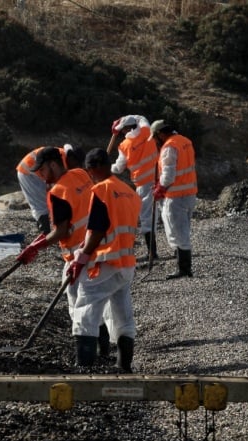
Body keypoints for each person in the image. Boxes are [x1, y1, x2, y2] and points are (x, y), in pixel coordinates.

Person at [15, 146, 111, 358]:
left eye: (41, 171)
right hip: (98, 246)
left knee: (78, 305)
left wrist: (35, 247)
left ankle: (86, 357)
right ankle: (103, 350)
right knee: (92, 303)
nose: (40, 176)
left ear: (52, 164)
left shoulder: (57, 193)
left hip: (78, 253)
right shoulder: (81, 174)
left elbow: (61, 231)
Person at [66, 148, 142, 371]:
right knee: (122, 314)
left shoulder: (101, 190)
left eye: (89, 172)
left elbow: (98, 229)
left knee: (86, 309)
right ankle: (124, 365)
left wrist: (81, 257)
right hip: (126, 263)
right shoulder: (128, 191)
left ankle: (85, 366)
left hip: (106, 260)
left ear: (94, 168)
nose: (89, 176)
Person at [149, 120, 198, 279]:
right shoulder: (185, 141)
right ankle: (182, 264)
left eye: (156, 137)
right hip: (189, 193)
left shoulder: (169, 147)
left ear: (161, 134)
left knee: (179, 232)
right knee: (183, 228)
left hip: (176, 197)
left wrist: (159, 189)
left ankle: (184, 269)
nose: (156, 141)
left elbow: (169, 176)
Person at [109, 115, 160, 260]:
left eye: (123, 130)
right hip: (159, 178)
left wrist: (107, 168)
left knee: (146, 218)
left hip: (144, 184)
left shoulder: (124, 146)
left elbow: (118, 168)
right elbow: (142, 117)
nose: (123, 133)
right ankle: (177, 249)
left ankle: (152, 253)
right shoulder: (146, 131)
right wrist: (123, 118)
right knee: (163, 214)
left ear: (126, 129)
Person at [15, 145, 85, 234]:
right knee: (40, 204)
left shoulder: (62, 157)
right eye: (77, 164)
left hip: (31, 169)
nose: (77, 167)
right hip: (28, 173)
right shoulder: (61, 160)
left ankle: (47, 229)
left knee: (46, 202)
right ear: (73, 159)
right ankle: (44, 230)